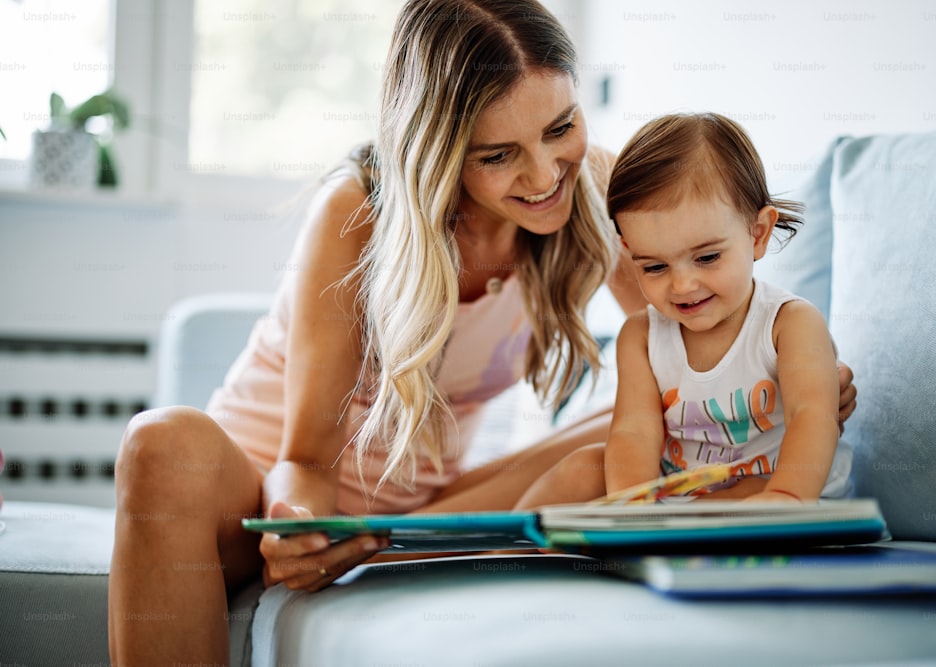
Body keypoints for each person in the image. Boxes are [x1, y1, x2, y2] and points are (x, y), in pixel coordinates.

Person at [108, 3, 857, 664]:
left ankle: (400, 544)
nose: (545, 174)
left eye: (560, 128)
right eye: (499, 155)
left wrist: (790, 378)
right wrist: (299, 525)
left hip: (421, 512)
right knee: (161, 440)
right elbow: (301, 459)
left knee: (627, 421)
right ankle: (378, 542)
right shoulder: (358, 211)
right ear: (437, 153)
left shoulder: (594, 188)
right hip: (270, 495)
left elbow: (691, 361)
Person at [516, 112, 852, 509]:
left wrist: (787, 495)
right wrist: (633, 506)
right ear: (629, 253)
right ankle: (502, 550)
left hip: (776, 484)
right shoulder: (640, 336)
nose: (682, 286)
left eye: (707, 258)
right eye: (655, 267)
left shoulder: (790, 323)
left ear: (758, 233)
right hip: (678, 490)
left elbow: (811, 415)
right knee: (582, 467)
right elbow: (635, 433)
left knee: (737, 500)